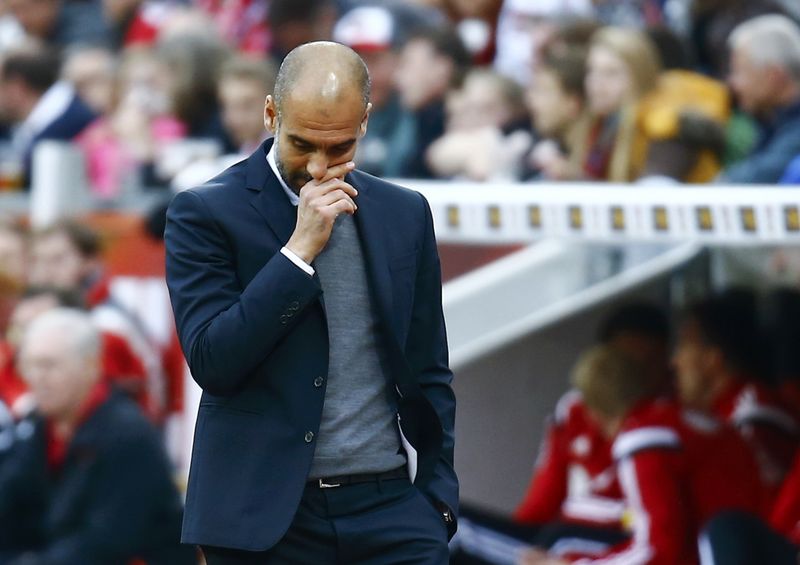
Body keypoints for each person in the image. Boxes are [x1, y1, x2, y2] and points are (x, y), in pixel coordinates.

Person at [165, 41, 457, 563]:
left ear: (365, 121)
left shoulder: (404, 213)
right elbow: (213, 360)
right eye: (302, 144)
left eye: (340, 147)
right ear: (271, 113)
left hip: (389, 508)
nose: (319, 167)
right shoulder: (204, 212)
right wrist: (298, 254)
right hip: (266, 520)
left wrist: (437, 503)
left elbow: (428, 367)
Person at [521, 344, 763, 565]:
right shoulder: (681, 418)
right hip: (751, 548)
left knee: (561, 546)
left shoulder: (643, 437)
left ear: (594, 411)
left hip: (727, 554)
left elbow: (659, 549)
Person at [0, 308, 194, 564]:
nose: (37, 378)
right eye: (29, 365)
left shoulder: (129, 435)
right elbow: (11, 504)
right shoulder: (38, 428)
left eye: (49, 365)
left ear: (91, 365)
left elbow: (106, 541)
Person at [673, 291, 799, 505]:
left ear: (713, 359)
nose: (675, 361)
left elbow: (761, 516)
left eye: (684, 347)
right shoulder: (719, 413)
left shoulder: (753, 419)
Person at [720, 14, 800, 184]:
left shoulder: (793, 129)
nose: (733, 84)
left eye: (740, 71)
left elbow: (762, 176)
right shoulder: (771, 121)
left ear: (774, 76)